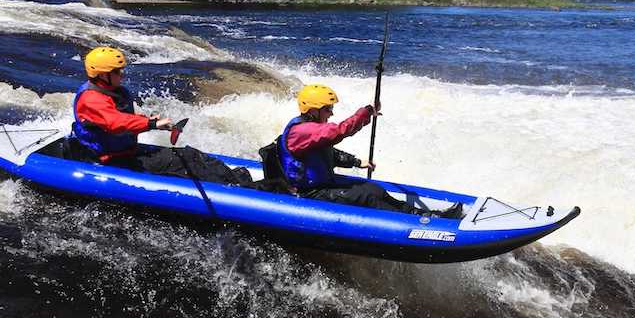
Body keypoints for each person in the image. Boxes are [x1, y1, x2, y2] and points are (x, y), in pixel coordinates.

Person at [69, 46, 251, 185]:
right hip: (109, 160)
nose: (121, 75)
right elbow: (115, 122)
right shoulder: (91, 99)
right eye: (117, 71)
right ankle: (235, 188)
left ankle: (237, 181)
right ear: (102, 75)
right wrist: (151, 124)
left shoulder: (113, 90)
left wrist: (151, 121)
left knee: (191, 156)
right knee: (180, 162)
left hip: (124, 153)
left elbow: (123, 118)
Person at [276, 84, 463, 218]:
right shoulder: (301, 131)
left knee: (374, 189)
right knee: (366, 196)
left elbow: (328, 154)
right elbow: (339, 131)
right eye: (328, 109)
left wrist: (356, 162)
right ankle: (420, 221)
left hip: (322, 186)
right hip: (309, 192)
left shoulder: (311, 130)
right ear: (313, 109)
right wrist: (366, 113)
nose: (331, 113)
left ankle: (427, 215)